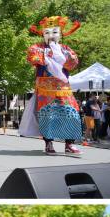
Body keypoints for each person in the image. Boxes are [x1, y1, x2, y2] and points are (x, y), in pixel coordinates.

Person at [22, 16, 84, 155]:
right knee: (47, 115)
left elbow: (73, 63)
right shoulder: (38, 48)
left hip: (63, 88)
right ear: (43, 34)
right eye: (47, 32)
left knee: (71, 114)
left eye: (55, 32)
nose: (51, 36)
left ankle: (69, 143)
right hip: (45, 88)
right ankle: (48, 143)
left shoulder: (66, 49)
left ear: (61, 34)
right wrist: (49, 56)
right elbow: (33, 57)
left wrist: (62, 56)